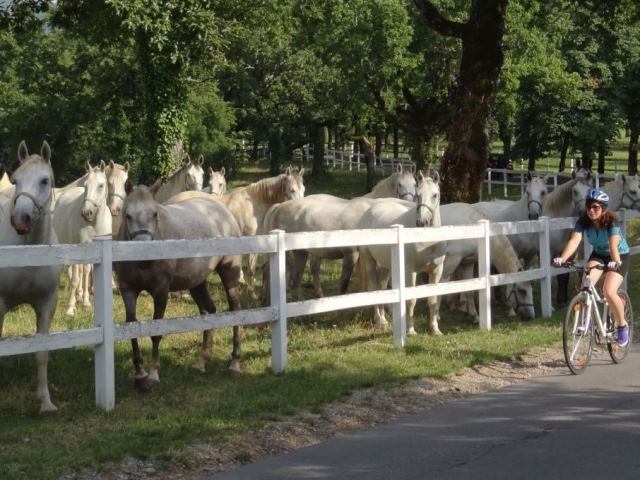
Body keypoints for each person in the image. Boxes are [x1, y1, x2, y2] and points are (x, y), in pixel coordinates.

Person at [552, 188, 630, 346]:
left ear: (603, 208)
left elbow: (613, 245)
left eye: (596, 207)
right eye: (589, 207)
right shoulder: (583, 221)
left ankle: (622, 326)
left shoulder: (610, 222)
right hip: (599, 254)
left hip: (619, 256)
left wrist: (615, 262)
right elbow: (574, 241)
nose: (591, 210)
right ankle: (585, 321)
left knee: (608, 291)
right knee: (585, 285)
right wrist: (562, 258)